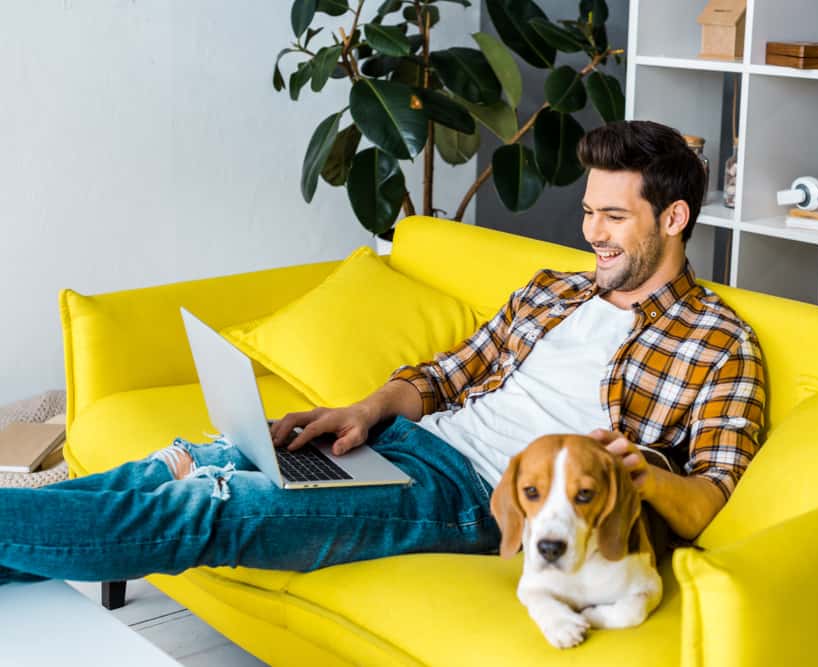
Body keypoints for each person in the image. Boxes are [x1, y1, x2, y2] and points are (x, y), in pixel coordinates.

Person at [0, 120, 765, 586]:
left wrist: (638, 472)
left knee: (215, 502)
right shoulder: (553, 291)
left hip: (471, 496)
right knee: (177, 462)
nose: (591, 233)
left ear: (673, 217)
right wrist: (362, 411)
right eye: (589, 212)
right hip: (405, 444)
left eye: (613, 217)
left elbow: (709, 498)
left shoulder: (719, 343)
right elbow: (445, 375)